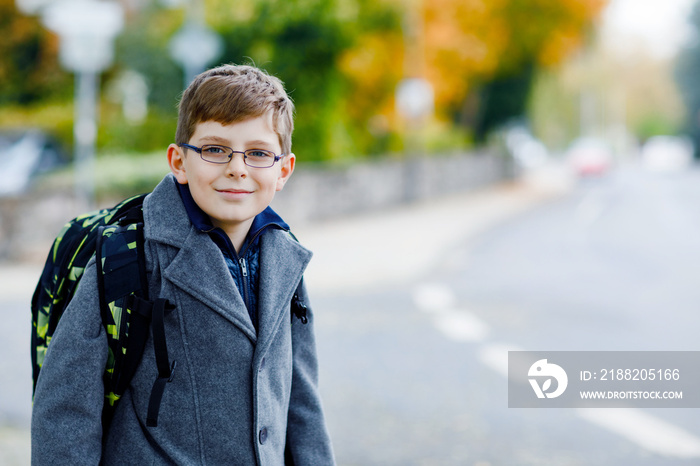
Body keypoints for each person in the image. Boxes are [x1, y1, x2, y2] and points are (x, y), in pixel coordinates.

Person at [31, 64, 336, 465]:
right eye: (214, 149)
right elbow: (65, 407)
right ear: (178, 161)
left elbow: (301, 401)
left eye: (258, 153)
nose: (237, 168)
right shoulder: (130, 255)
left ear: (283, 170)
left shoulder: (286, 258)